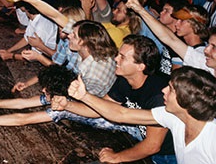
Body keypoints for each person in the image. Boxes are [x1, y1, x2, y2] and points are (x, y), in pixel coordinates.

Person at [51, 35, 176, 163]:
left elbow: (152, 146)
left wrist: (116, 157)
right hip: (142, 141)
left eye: (122, 57)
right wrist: (67, 105)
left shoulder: (159, 95)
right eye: (118, 55)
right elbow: (100, 109)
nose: (116, 59)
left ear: (140, 66)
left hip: (167, 157)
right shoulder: (125, 80)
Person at [67, 66, 216, 164]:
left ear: (185, 101)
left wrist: (117, 157)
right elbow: (121, 114)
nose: (163, 90)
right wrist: (84, 96)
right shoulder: (172, 116)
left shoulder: (212, 139)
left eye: (170, 89)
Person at [0, 65, 76, 138]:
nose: (43, 90)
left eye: (46, 88)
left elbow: (23, 119)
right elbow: (22, 103)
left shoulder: (63, 105)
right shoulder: (57, 94)